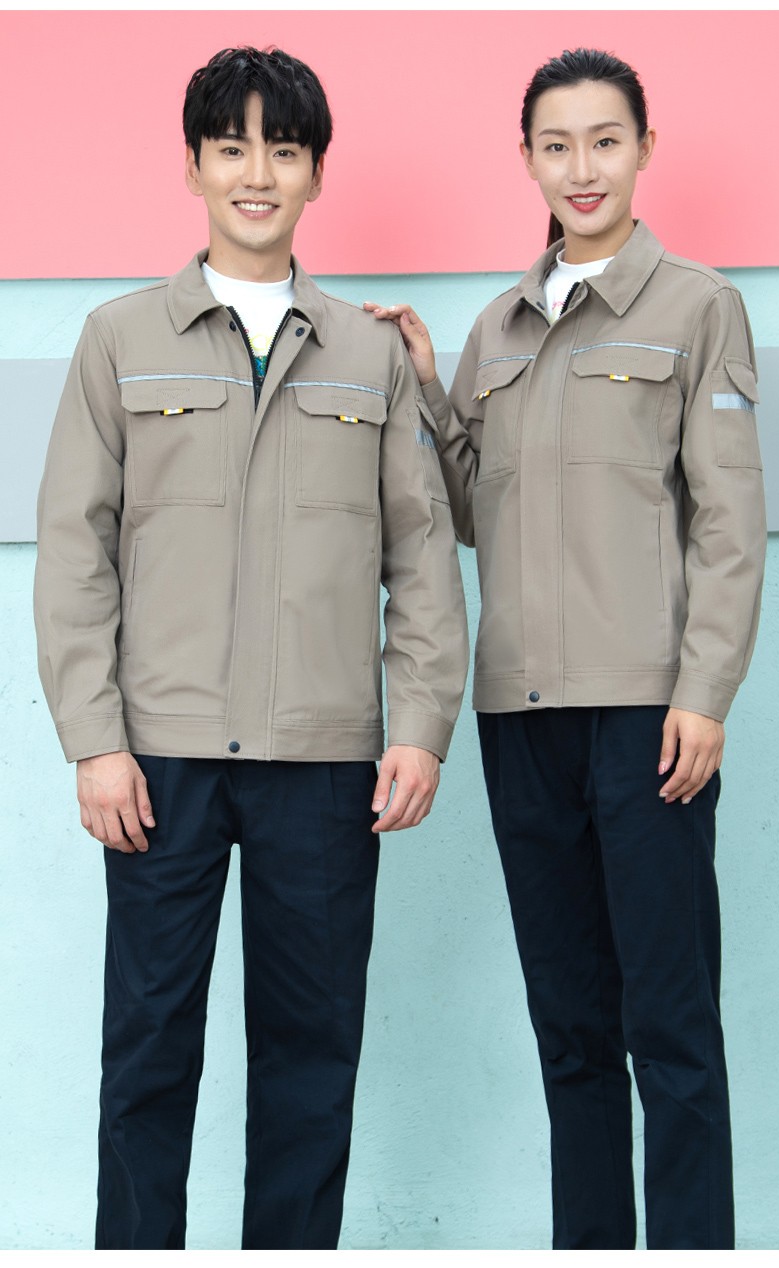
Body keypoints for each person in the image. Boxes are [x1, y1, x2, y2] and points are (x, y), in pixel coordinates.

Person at [34, 45, 467, 1251]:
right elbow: (74, 551)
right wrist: (94, 741)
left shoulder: (369, 355)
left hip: (323, 766)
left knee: (311, 1060)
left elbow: (422, 555)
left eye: (283, 148)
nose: (257, 173)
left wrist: (420, 726)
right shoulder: (119, 338)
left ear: (317, 171)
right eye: (232, 147)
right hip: (158, 761)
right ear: (194, 166)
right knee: (147, 1050)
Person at [365, 47, 766, 1251]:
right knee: (571, 1031)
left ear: (643, 149)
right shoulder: (496, 326)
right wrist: (429, 390)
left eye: (603, 140)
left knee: (672, 1027)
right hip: (520, 718)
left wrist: (705, 692)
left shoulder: (697, 307)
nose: (581, 167)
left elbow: (729, 523)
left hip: (647, 714)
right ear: (528, 159)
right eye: (556, 144)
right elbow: (475, 510)